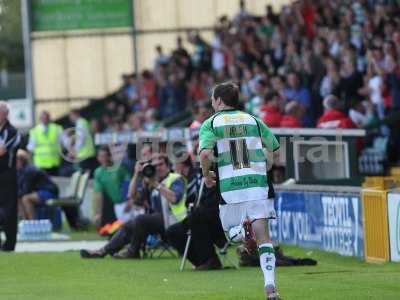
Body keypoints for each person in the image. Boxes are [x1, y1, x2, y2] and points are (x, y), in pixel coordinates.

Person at [199, 83, 280, 299]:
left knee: (230, 235)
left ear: (217, 100)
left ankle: (244, 234)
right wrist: (268, 164)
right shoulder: (253, 120)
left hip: (231, 189)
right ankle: (270, 287)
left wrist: (207, 176)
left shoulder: (211, 123)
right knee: (265, 239)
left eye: (212, 99)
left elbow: (205, 154)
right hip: (257, 186)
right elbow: (274, 147)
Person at [80, 154, 187, 259]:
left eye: (161, 164)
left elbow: (174, 199)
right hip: (158, 222)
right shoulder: (151, 182)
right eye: (155, 166)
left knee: (141, 219)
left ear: (168, 166)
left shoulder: (176, 179)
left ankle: (133, 251)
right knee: (128, 225)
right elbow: (133, 197)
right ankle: (103, 251)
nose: (158, 168)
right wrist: (136, 175)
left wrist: (156, 185)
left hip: (175, 221)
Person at [166, 155, 226, 270]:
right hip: (197, 218)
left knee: (197, 214)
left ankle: (209, 260)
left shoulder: (207, 174)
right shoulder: (189, 178)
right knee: (172, 231)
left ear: (181, 165)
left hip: (217, 218)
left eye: (174, 164)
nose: (173, 168)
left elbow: (213, 198)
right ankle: (201, 261)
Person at [92, 147, 133, 226]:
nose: (103, 159)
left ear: (109, 156)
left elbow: (128, 183)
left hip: (128, 202)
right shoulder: (98, 172)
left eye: (105, 156)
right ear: (97, 158)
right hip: (116, 204)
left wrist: (130, 201)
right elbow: (98, 194)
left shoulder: (120, 168)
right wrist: (97, 213)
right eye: (101, 156)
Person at [0, 101, 20, 251]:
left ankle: (9, 244)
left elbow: (2, 151)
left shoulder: (11, 131)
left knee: (9, 210)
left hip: (7, 175)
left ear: (5, 114)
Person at [16, 150, 59, 220]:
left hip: (49, 192)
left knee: (26, 198)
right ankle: (24, 222)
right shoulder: (21, 171)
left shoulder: (30, 170)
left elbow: (26, 190)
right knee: (19, 198)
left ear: (20, 161)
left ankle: (32, 223)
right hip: (39, 192)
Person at [27, 111, 63, 176]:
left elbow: (63, 142)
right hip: (40, 163)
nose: (45, 119)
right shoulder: (35, 131)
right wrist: (29, 162)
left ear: (49, 118)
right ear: (40, 119)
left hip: (53, 163)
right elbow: (30, 148)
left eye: (46, 118)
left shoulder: (57, 129)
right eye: (43, 118)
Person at [68, 109, 97, 175]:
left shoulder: (81, 123)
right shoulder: (83, 122)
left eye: (71, 116)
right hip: (87, 153)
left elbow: (81, 139)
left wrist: (74, 151)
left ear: (75, 114)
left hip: (85, 154)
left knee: (85, 176)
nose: (70, 118)